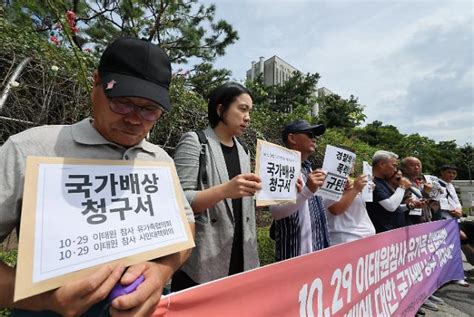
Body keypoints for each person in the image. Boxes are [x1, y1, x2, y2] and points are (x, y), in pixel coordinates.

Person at [0, 37, 195, 316]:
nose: (134, 118)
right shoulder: (29, 151)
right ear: (96, 83)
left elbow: (186, 224)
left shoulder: (159, 161)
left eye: (149, 109)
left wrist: (162, 270)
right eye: (123, 102)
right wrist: (44, 299)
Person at [172, 82, 262, 291]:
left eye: (249, 111)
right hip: (204, 259)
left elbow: (246, 202)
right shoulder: (195, 141)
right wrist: (224, 191)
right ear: (220, 109)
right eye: (242, 109)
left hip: (242, 255)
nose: (247, 117)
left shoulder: (244, 150)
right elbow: (178, 201)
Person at [269, 119, 329, 261]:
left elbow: (315, 207)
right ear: (292, 138)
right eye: (309, 134)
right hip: (294, 255)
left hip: (317, 250)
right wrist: (308, 190)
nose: (314, 139)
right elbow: (276, 211)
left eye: (315, 136)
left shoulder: (308, 169)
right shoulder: (279, 166)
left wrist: (339, 190)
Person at [323, 173, 376, 246]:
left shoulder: (353, 182)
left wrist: (365, 190)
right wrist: (355, 190)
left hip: (366, 238)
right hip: (347, 242)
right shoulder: (327, 178)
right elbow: (336, 209)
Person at [366, 151, 411, 233]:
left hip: (394, 232)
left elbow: (394, 207)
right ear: (382, 164)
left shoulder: (383, 182)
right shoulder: (372, 182)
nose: (395, 170)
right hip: (383, 233)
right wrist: (402, 187)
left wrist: (409, 206)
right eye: (394, 166)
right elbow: (391, 206)